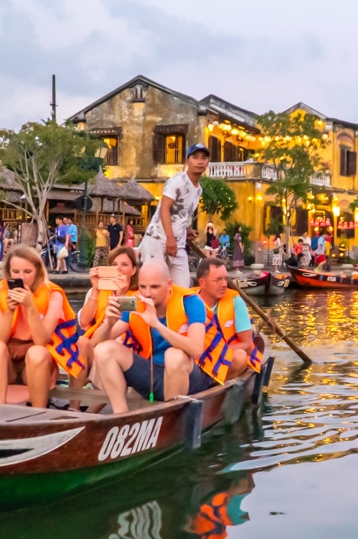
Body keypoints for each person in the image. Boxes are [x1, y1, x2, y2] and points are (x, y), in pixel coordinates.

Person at [91, 259, 231, 414]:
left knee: (174, 355)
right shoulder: (134, 302)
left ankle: (170, 417)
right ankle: (121, 415)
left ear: (169, 285)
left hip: (190, 377)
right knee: (104, 349)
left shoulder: (191, 302)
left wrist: (156, 324)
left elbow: (196, 349)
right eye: (143, 286)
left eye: (154, 287)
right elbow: (95, 344)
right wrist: (109, 323)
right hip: (152, 375)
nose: (147, 293)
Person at [0, 244, 83, 408]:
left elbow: (41, 341)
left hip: (36, 362)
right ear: (9, 273)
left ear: (38, 271)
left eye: (27, 272)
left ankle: (39, 411)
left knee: (36, 352)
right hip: (8, 361)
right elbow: (0, 338)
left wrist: (30, 307)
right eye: (15, 272)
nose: (21, 278)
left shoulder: (54, 295)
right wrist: (10, 310)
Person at [74, 246, 141, 397]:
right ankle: (74, 406)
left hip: (123, 348)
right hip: (93, 346)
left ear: (133, 270)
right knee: (82, 343)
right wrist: (96, 289)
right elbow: (84, 321)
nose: (119, 268)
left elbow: (118, 329)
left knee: (105, 349)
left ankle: (93, 410)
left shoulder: (137, 297)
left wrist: (121, 293)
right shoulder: (97, 290)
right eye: (115, 264)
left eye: (124, 264)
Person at [139, 143, 208, 288]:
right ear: (187, 161)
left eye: (204, 158)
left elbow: (181, 215)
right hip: (157, 240)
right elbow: (165, 208)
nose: (200, 161)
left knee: (182, 288)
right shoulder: (177, 182)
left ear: (208, 162)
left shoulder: (198, 190)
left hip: (178, 244)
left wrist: (185, 231)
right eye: (195, 157)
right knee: (155, 285)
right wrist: (170, 238)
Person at [195, 257, 262, 381]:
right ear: (202, 283)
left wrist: (213, 353)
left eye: (226, 278)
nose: (225, 284)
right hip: (195, 359)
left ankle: (213, 384)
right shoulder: (188, 301)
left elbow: (247, 345)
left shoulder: (235, 302)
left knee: (240, 357)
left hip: (225, 359)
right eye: (218, 280)